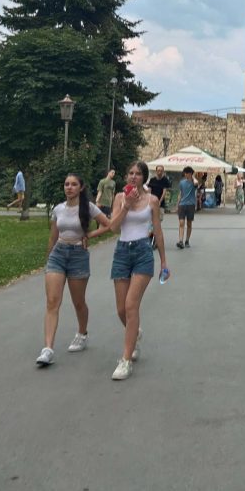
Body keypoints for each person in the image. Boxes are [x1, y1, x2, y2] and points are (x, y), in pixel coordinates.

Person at [35, 172, 111, 367]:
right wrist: (48, 257)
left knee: (78, 302)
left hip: (78, 255)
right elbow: (53, 236)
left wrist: (90, 236)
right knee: (53, 302)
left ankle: (82, 333)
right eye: (66, 184)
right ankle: (48, 348)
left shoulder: (88, 207)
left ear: (81, 188)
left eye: (73, 184)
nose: (69, 187)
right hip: (58, 255)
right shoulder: (58, 209)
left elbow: (108, 225)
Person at [106, 161, 167, 381]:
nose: (133, 177)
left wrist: (164, 261)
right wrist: (126, 206)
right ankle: (136, 333)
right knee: (122, 310)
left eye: (138, 174)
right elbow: (113, 228)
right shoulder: (120, 199)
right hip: (122, 252)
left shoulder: (152, 201)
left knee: (131, 305)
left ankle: (125, 360)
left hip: (142, 251)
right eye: (130, 173)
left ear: (144, 178)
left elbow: (157, 232)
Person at [176, 165, 197, 248]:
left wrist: (193, 177)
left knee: (189, 223)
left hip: (191, 204)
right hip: (182, 204)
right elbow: (180, 193)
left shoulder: (193, 182)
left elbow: (196, 184)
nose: (186, 174)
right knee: (181, 223)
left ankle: (187, 240)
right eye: (185, 173)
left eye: (188, 173)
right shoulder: (182, 182)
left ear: (191, 173)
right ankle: (180, 241)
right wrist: (177, 204)